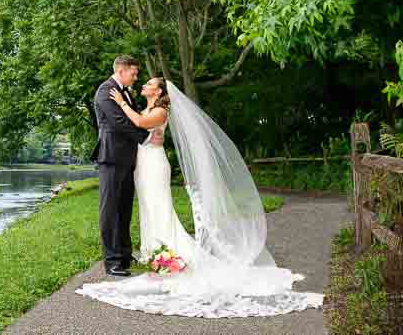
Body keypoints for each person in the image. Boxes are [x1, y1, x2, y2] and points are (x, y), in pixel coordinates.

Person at [77, 78, 324, 318]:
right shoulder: (148, 106)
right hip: (143, 164)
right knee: (149, 209)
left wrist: (121, 104)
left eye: (149, 84)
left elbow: (140, 122)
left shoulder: (161, 111)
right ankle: (156, 252)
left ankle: (170, 254)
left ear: (159, 91)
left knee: (160, 208)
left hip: (153, 165)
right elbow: (136, 124)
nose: (143, 84)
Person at [90, 56, 165, 277]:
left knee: (123, 208)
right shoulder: (106, 91)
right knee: (110, 210)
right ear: (121, 71)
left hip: (127, 158)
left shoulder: (125, 92)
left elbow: (131, 119)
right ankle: (112, 261)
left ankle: (123, 253)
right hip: (111, 156)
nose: (136, 76)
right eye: (133, 72)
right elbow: (118, 122)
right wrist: (147, 138)